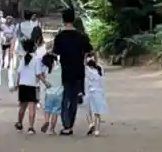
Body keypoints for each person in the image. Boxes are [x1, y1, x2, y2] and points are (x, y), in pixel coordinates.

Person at [51, 7, 92, 135]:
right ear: (73, 19)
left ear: (63, 20)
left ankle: (66, 125)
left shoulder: (60, 37)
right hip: (79, 70)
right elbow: (90, 50)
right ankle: (70, 124)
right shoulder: (81, 36)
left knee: (65, 97)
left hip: (65, 70)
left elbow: (55, 53)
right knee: (74, 99)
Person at [17, 43, 42, 132]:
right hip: (32, 85)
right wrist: (44, 82)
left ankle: (19, 123)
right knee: (32, 108)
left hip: (23, 85)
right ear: (34, 48)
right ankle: (31, 127)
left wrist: (17, 84)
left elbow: (19, 73)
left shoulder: (23, 58)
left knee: (22, 107)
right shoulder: (36, 59)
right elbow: (38, 73)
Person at [85, 55, 109, 134]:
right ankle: (97, 130)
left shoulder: (88, 71)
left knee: (88, 110)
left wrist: (85, 55)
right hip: (99, 93)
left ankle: (91, 123)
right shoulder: (99, 70)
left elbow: (84, 64)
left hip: (90, 92)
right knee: (97, 112)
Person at [39, 50, 62, 133]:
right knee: (55, 112)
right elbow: (59, 59)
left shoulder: (46, 70)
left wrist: (45, 82)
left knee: (47, 109)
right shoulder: (60, 67)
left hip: (49, 93)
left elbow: (40, 75)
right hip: (59, 93)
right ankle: (52, 129)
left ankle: (46, 121)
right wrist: (53, 54)